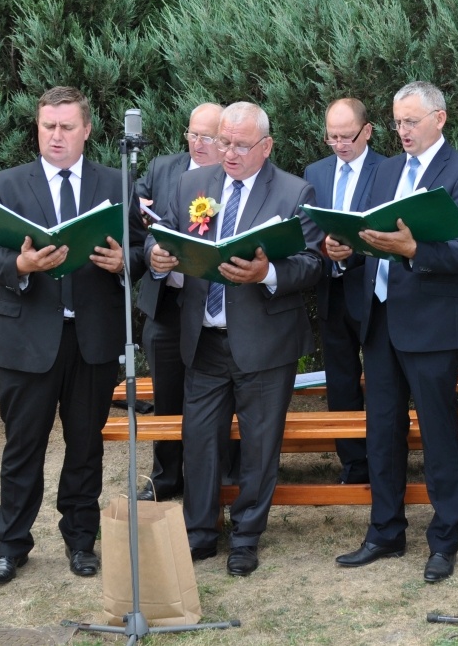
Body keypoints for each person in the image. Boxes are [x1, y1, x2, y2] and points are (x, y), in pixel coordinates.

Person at [0, 86, 145, 587]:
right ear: (38, 127)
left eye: (67, 127)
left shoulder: (117, 182)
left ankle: (81, 541)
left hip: (93, 337)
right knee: (22, 448)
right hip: (26, 339)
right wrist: (21, 265)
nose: (56, 135)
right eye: (48, 126)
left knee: (86, 447)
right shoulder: (4, 184)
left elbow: (142, 249)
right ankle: (10, 548)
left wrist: (124, 262)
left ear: (86, 130)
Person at [147, 102, 324, 577]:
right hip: (203, 340)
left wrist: (268, 273)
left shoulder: (293, 191)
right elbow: (159, 235)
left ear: (266, 147)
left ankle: (246, 537)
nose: (228, 152)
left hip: (265, 344)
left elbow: (312, 263)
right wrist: (157, 257)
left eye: (241, 145)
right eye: (223, 141)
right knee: (199, 441)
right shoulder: (192, 183)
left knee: (260, 447)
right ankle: (200, 534)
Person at [327, 81, 458, 584]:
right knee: (382, 433)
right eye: (398, 122)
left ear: (439, 119)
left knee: (439, 435)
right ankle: (385, 532)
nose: (402, 131)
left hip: (432, 326)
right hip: (378, 320)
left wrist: (413, 250)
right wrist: (346, 249)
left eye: (411, 121)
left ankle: (444, 539)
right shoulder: (386, 170)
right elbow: (370, 236)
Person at [134, 102, 223, 502]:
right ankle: (166, 476)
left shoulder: (233, 177)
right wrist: (150, 244)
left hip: (212, 307)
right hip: (166, 303)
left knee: (213, 396)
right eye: (192, 133)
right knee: (167, 395)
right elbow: (135, 209)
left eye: (208, 136)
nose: (197, 143)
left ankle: (217, 477)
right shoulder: (162, 168)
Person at [303, 98, 386, 485]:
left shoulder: (386, 170)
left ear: (367, 131)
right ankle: (353, 464)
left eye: (346, 136)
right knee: (340, 381)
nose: (339, 144)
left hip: (372, 293)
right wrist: (323, 249)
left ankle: (383, 460)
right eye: (331, 137)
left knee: (383, 381)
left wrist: (353, 252)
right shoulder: (315, 172)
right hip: (330, 290)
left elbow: (388, 232)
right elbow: (307, 228)